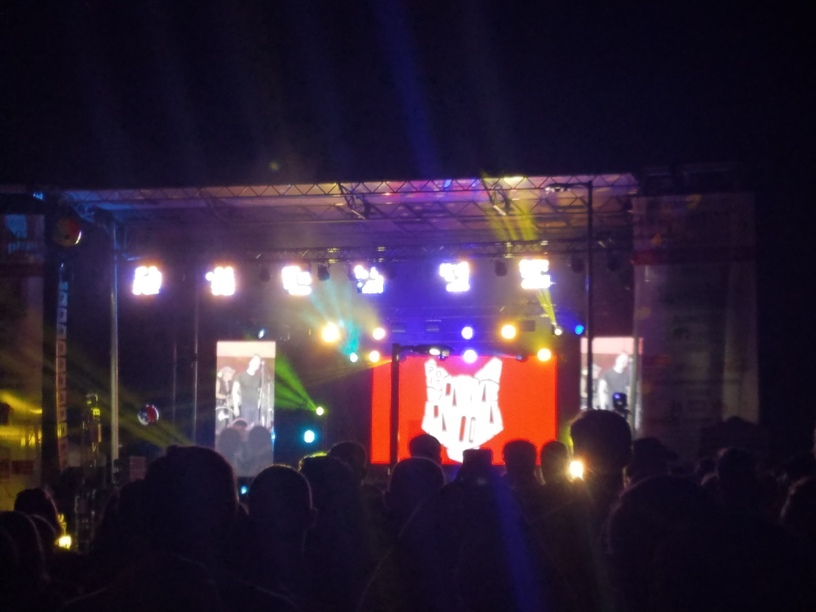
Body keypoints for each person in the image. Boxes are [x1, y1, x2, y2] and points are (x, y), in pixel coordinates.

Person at [232, 355, 263, 427]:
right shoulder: (240, 376)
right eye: (255, 361)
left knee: (255, 428)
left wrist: (260, 401)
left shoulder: (259, 378)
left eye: (258, 363)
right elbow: (235, 391)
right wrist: (235, 406)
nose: (257, 364)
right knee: (246, 427)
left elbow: (260, 391)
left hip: (256, 407)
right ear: (250, 362)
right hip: (245, 406)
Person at [215, 366, 236, 432]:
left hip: (229, 407)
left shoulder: (231, 383)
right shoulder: (218, 381)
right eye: (231, 373)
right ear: (226, 374)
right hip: (219, 406)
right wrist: (225, 397)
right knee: (221, 423)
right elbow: (216, 394)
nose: (232, 375)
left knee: (230, 423)